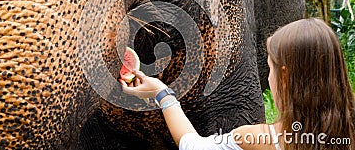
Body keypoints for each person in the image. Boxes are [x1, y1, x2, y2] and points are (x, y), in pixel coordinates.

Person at [120, 18, 355, 150]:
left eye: (270, 68)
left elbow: (192, 146)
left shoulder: (260, 139)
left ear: (284, 76)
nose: (268, 76)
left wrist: (163, 94)